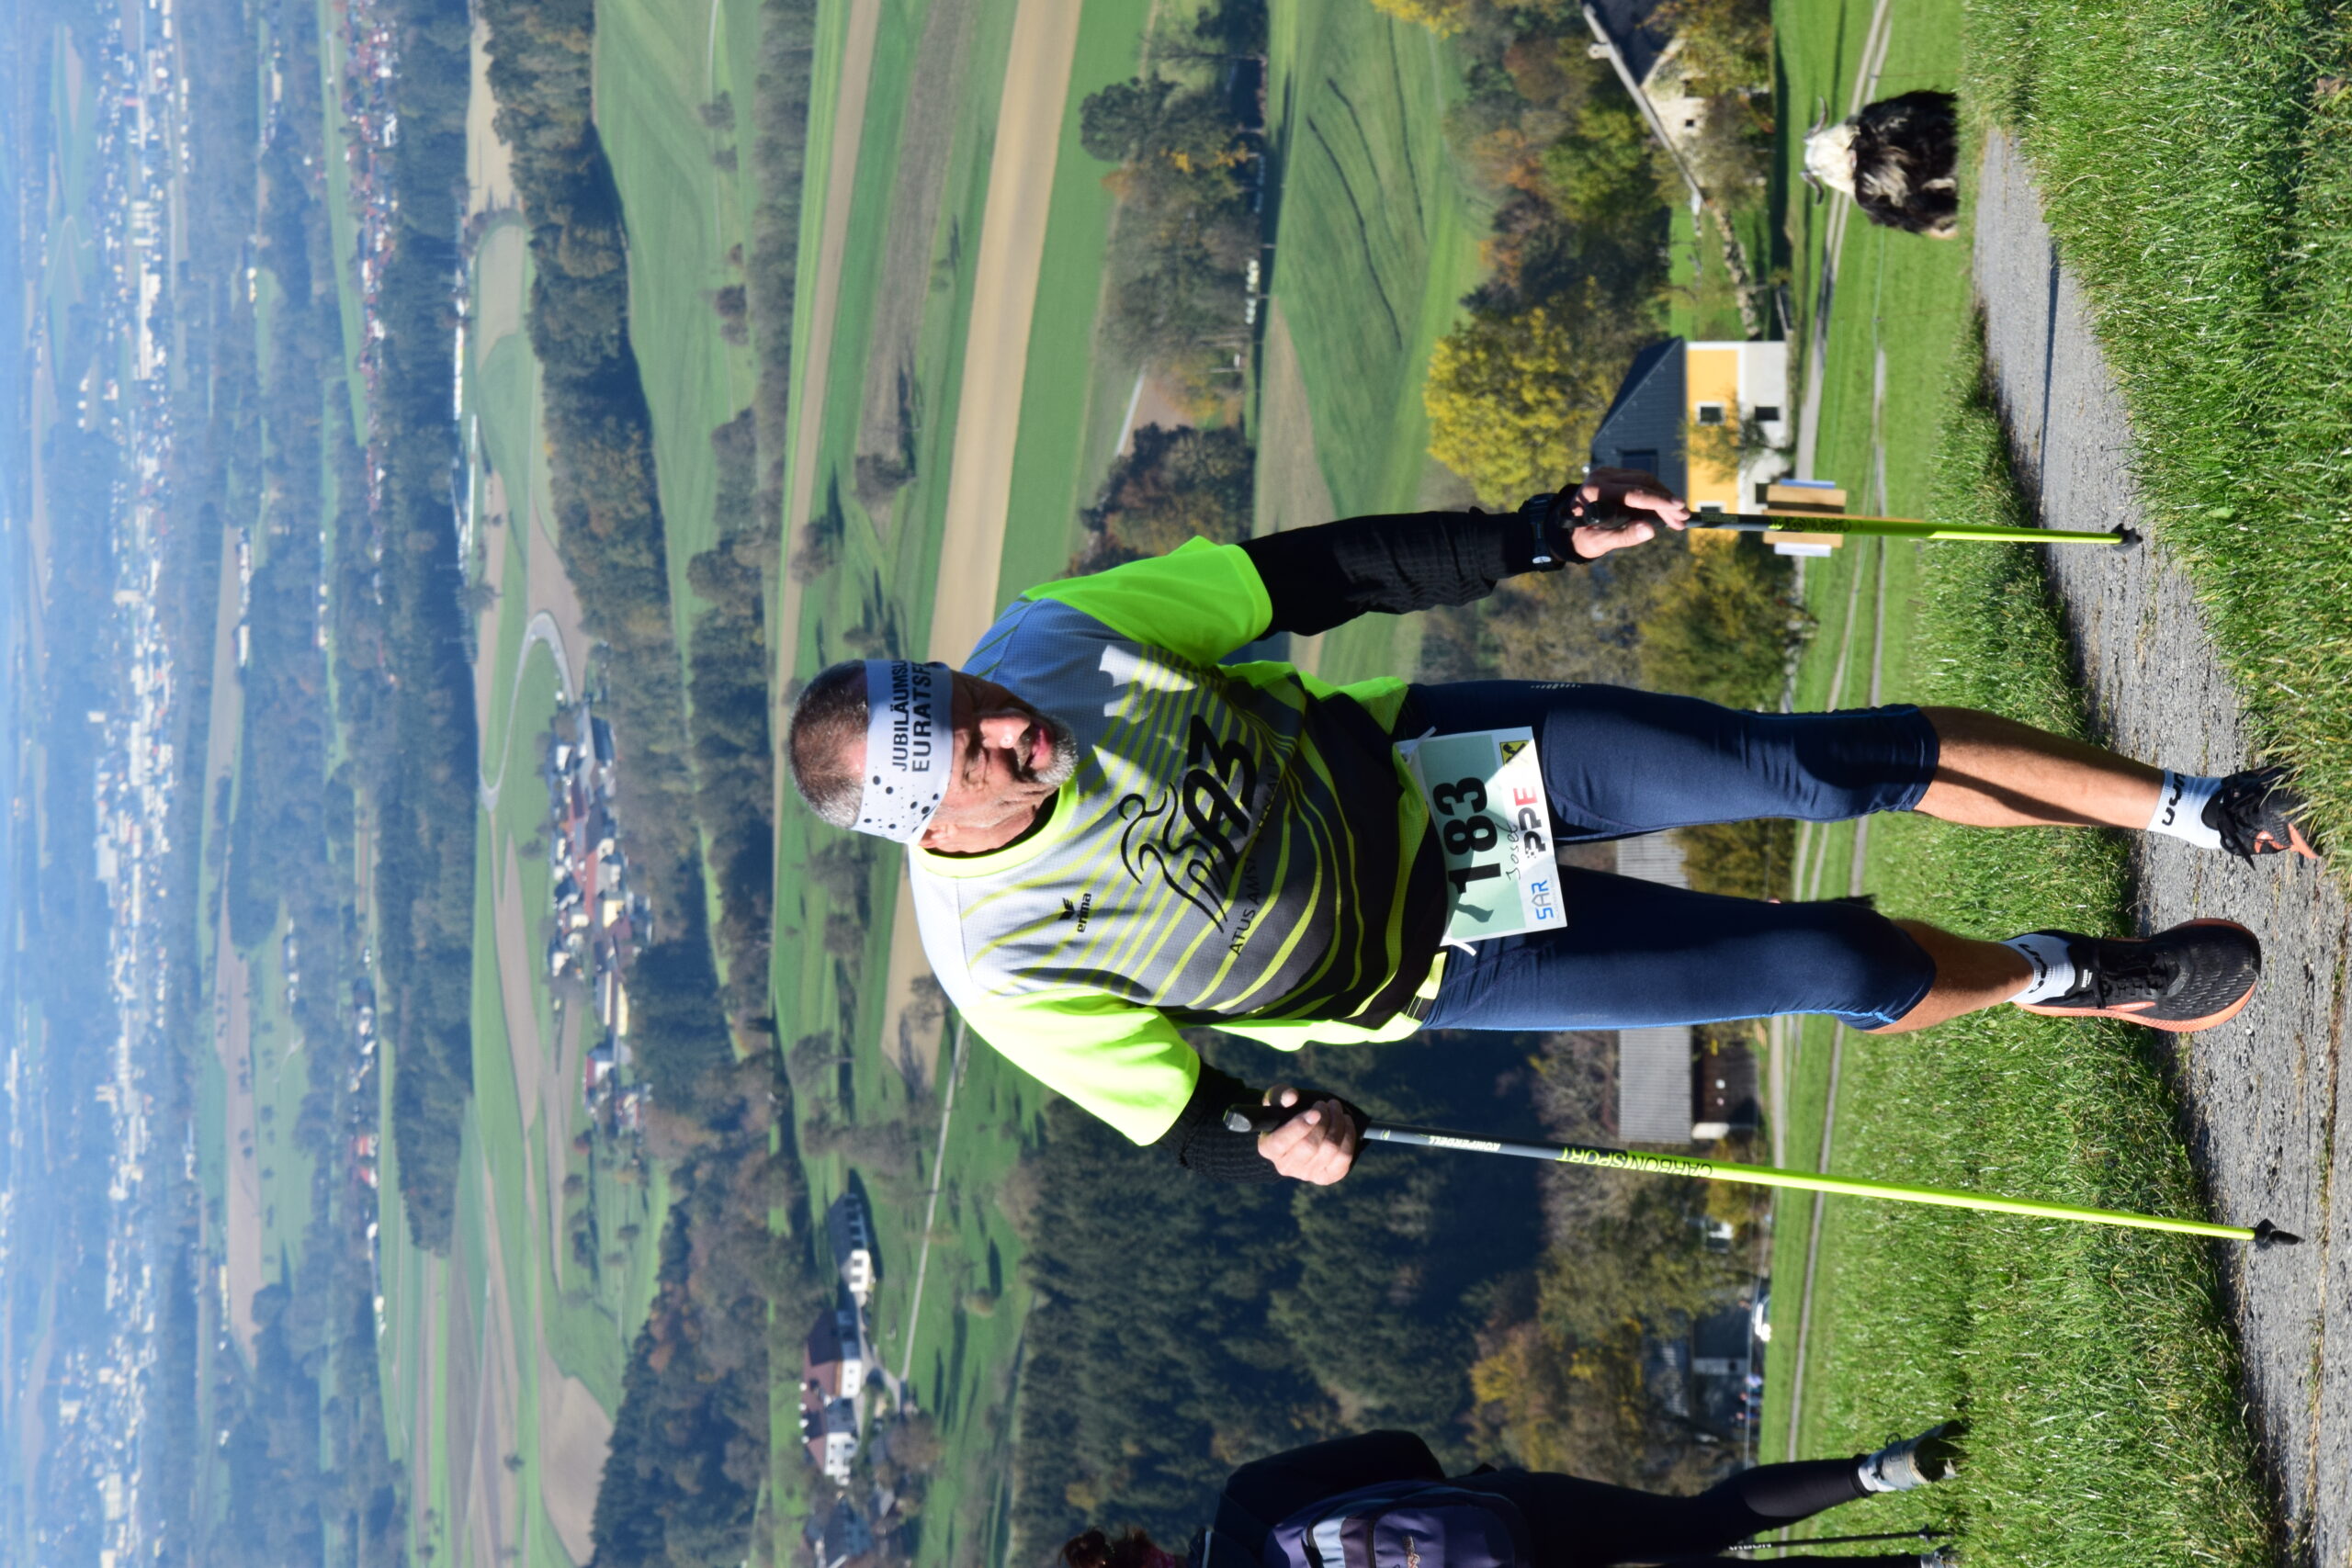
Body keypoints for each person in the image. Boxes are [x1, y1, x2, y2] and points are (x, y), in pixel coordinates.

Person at [784, 473, 2317, 1184]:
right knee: (1831, 964)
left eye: (974, 690)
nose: (1012, 720)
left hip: (1442, 770)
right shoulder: (998, 962)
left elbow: (1307, 576)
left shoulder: (1054, 638)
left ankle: (2209, 808)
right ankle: (2067, 974)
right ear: (933, 820)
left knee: (1810, 766)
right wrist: (1277, 1135)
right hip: (1444, 961)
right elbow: (1178, 1108)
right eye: (980, 751)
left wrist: (1530, 534)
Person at [1063, 1424, 1967, 1568]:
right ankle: (1879, 1471)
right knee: (1699, 1521)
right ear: (1147, 1548)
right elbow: (1399, 1449)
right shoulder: (1247, 1498)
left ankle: (1923, 1565)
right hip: (1512, 1510)